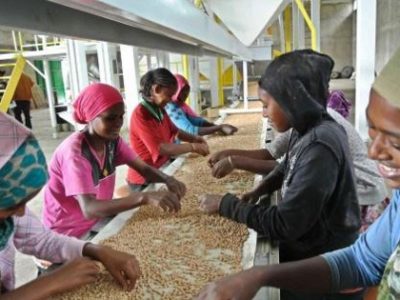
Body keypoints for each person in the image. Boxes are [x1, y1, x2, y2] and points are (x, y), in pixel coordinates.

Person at [195, 48, 400, 300]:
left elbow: (285, 223)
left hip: (321, 260)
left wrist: (227, 204)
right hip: (320, 258)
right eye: (371, 131)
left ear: (293, 102)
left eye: (266, 105)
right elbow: (287, 164)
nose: (375, 152)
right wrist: (263, 188)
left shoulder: (321, 143)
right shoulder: (308, 130)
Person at [0, 112, 140, 298]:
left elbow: (41, 239)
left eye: (25, 202)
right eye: (11, 206)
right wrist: (51, 282)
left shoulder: (10, 217)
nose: (21, 213)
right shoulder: (74, 151)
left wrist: (96, 250)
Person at [209, 92, 387, 233]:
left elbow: (290, 170)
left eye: (266, 106)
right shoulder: (303, 124)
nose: (263, 114)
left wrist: (229, 202)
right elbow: (284, 162)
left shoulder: (320, 134)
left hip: (362, 195)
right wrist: (230, 156)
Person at [42, 83, 186, 239]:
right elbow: (89, 208)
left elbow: (144, 169)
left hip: (93, 223)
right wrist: (144, 197)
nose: (118, 123)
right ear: (91, 116)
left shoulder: (112, 142)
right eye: (110, 118)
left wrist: (167, 179)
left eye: (121, 117)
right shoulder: (76, 153)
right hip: (64, 236)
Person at [127, 68, 210, 191]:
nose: (171, 100)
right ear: (157, 89)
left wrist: (195, 138)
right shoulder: (141, 114)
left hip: (158, 170)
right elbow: (160, 148)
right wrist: (193, 147)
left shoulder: (160, 109)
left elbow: (175, 131)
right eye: (169, 95)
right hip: (143, 179)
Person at [165, 74, 238, 136]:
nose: (186, 94)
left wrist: (217, 127)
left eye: (187, 90)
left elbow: (197, 122)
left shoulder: (181, 106)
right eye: (183, 91)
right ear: (176, 90)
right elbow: (189, 130)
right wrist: (219, 128)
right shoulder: (171, 108)